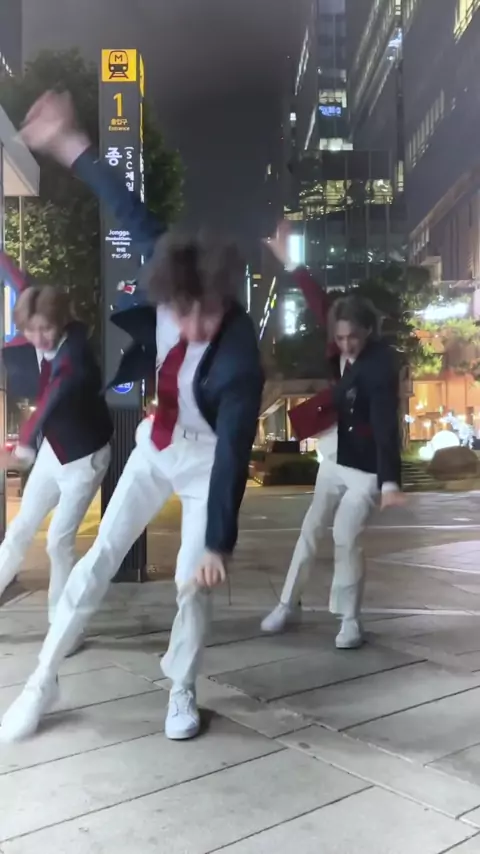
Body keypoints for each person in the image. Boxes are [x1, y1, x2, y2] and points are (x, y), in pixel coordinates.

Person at [0, 91, 264, 743]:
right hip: (156, 444)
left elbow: (235, 451)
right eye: (184, 311)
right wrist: (68, 143)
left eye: (209, 312)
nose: (194, 325)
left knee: (194, 584)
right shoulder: (166, 260)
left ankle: (182, 687)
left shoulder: (239, 357)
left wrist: (218, 540)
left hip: (207, 461)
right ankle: (42, 679)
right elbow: (124, 203)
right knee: (97, 559)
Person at [261, 231, 404, 650]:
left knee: (345, 534)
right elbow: (319, 300)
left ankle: (349, 619)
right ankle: (288, 604)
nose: (345, 345)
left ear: (368, 330)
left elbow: (386, 423)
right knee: (311, 528)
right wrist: (291, 263)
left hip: (367, 467)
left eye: (352, 338)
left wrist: (390, 481)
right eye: (339, 338)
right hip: (336, 454)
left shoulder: (380, 365)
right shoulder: (338, 334)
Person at [0, 272, 112, 654]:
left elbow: (55, 393)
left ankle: (65, 626)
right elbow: (23, 283)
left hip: (85, 456)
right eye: (31, 331)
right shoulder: (35, 332)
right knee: (19, 530)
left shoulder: (75, 355)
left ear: (61, 321)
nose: (39, 338)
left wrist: (24, 444)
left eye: (46, 329)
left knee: (58, 542)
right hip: (55, 448)